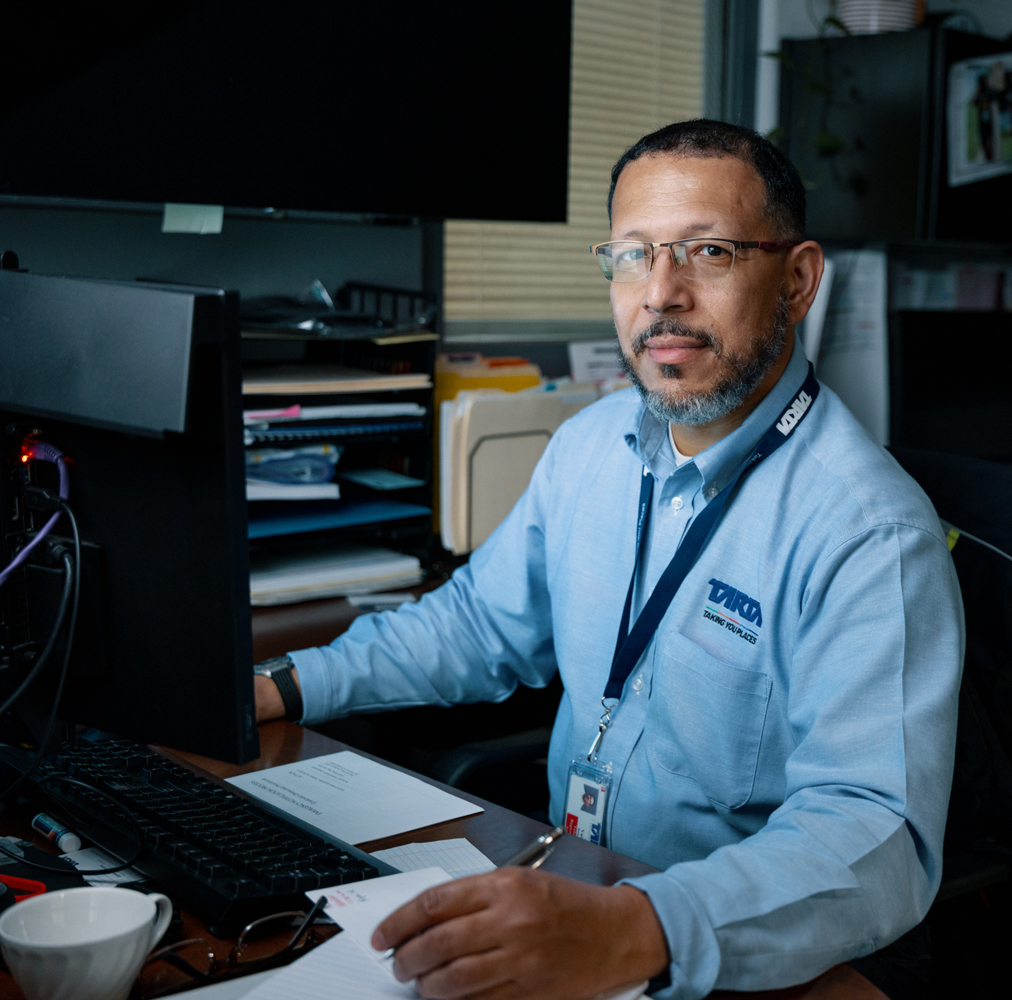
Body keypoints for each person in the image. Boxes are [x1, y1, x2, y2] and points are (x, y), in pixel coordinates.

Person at [253, 119, 964, 1000]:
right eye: (633, 256)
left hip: (736, 956)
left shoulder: (868, 532)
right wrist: (284, 685)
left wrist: (639, 927)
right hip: (576, 892)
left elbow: (874, 832)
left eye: (708, 250)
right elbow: (476, 625)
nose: (661, 294)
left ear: (798, 279)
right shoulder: (592, 444)